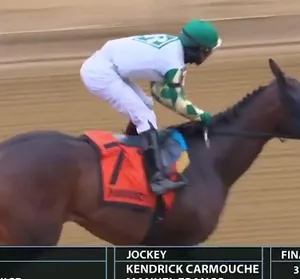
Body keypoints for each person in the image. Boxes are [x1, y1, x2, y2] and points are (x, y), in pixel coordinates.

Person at [79, 19, 222, 194]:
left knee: (146, 105)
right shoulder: (173, 63)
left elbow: (159, 92)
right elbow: (174, 101)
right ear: (199, 50)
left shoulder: (174, 47)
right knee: (145, 117)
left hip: (106, 65)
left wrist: (197, 115)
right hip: (101, 73)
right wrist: (203, 117)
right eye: (208, 51)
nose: (208, 55)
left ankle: (131, 146)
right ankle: (157, 179)